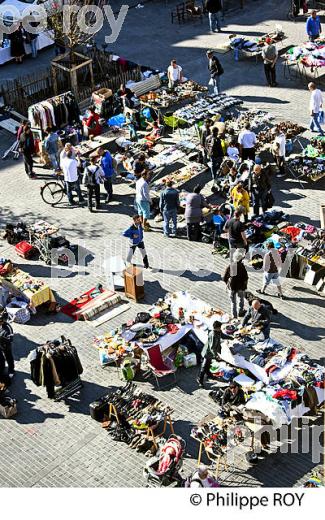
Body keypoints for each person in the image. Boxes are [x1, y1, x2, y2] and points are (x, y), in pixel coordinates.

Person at [197, 320, 226, 387]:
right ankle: (200, 380)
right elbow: (212, 347)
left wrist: (231, 338)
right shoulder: (212, 335)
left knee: (208, 364)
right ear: (216, 328)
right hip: (207, 353)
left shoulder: (218, 332)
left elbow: (223, 335)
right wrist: (216, 356)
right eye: (219, 327)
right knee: (204, 366)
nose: (220, 329)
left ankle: (209, 375)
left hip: (211, 353)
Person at [223, 249, 248, 319]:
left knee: (233, 302)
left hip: (232, 287)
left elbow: (224, 277)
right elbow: (245, 277)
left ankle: (234, 316)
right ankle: (240, 311)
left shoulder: (230, 266)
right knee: (241, 299)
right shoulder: (242, 267)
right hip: (241, 287)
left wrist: (227, 283)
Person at [0, 310, 14, 378]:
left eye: (1, 321)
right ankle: (2, 368)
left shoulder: (8, 328)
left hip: (6, 346)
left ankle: (11, 370)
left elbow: (10, 340)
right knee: (1, 358)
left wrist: (2, 338)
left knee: (9, 357)